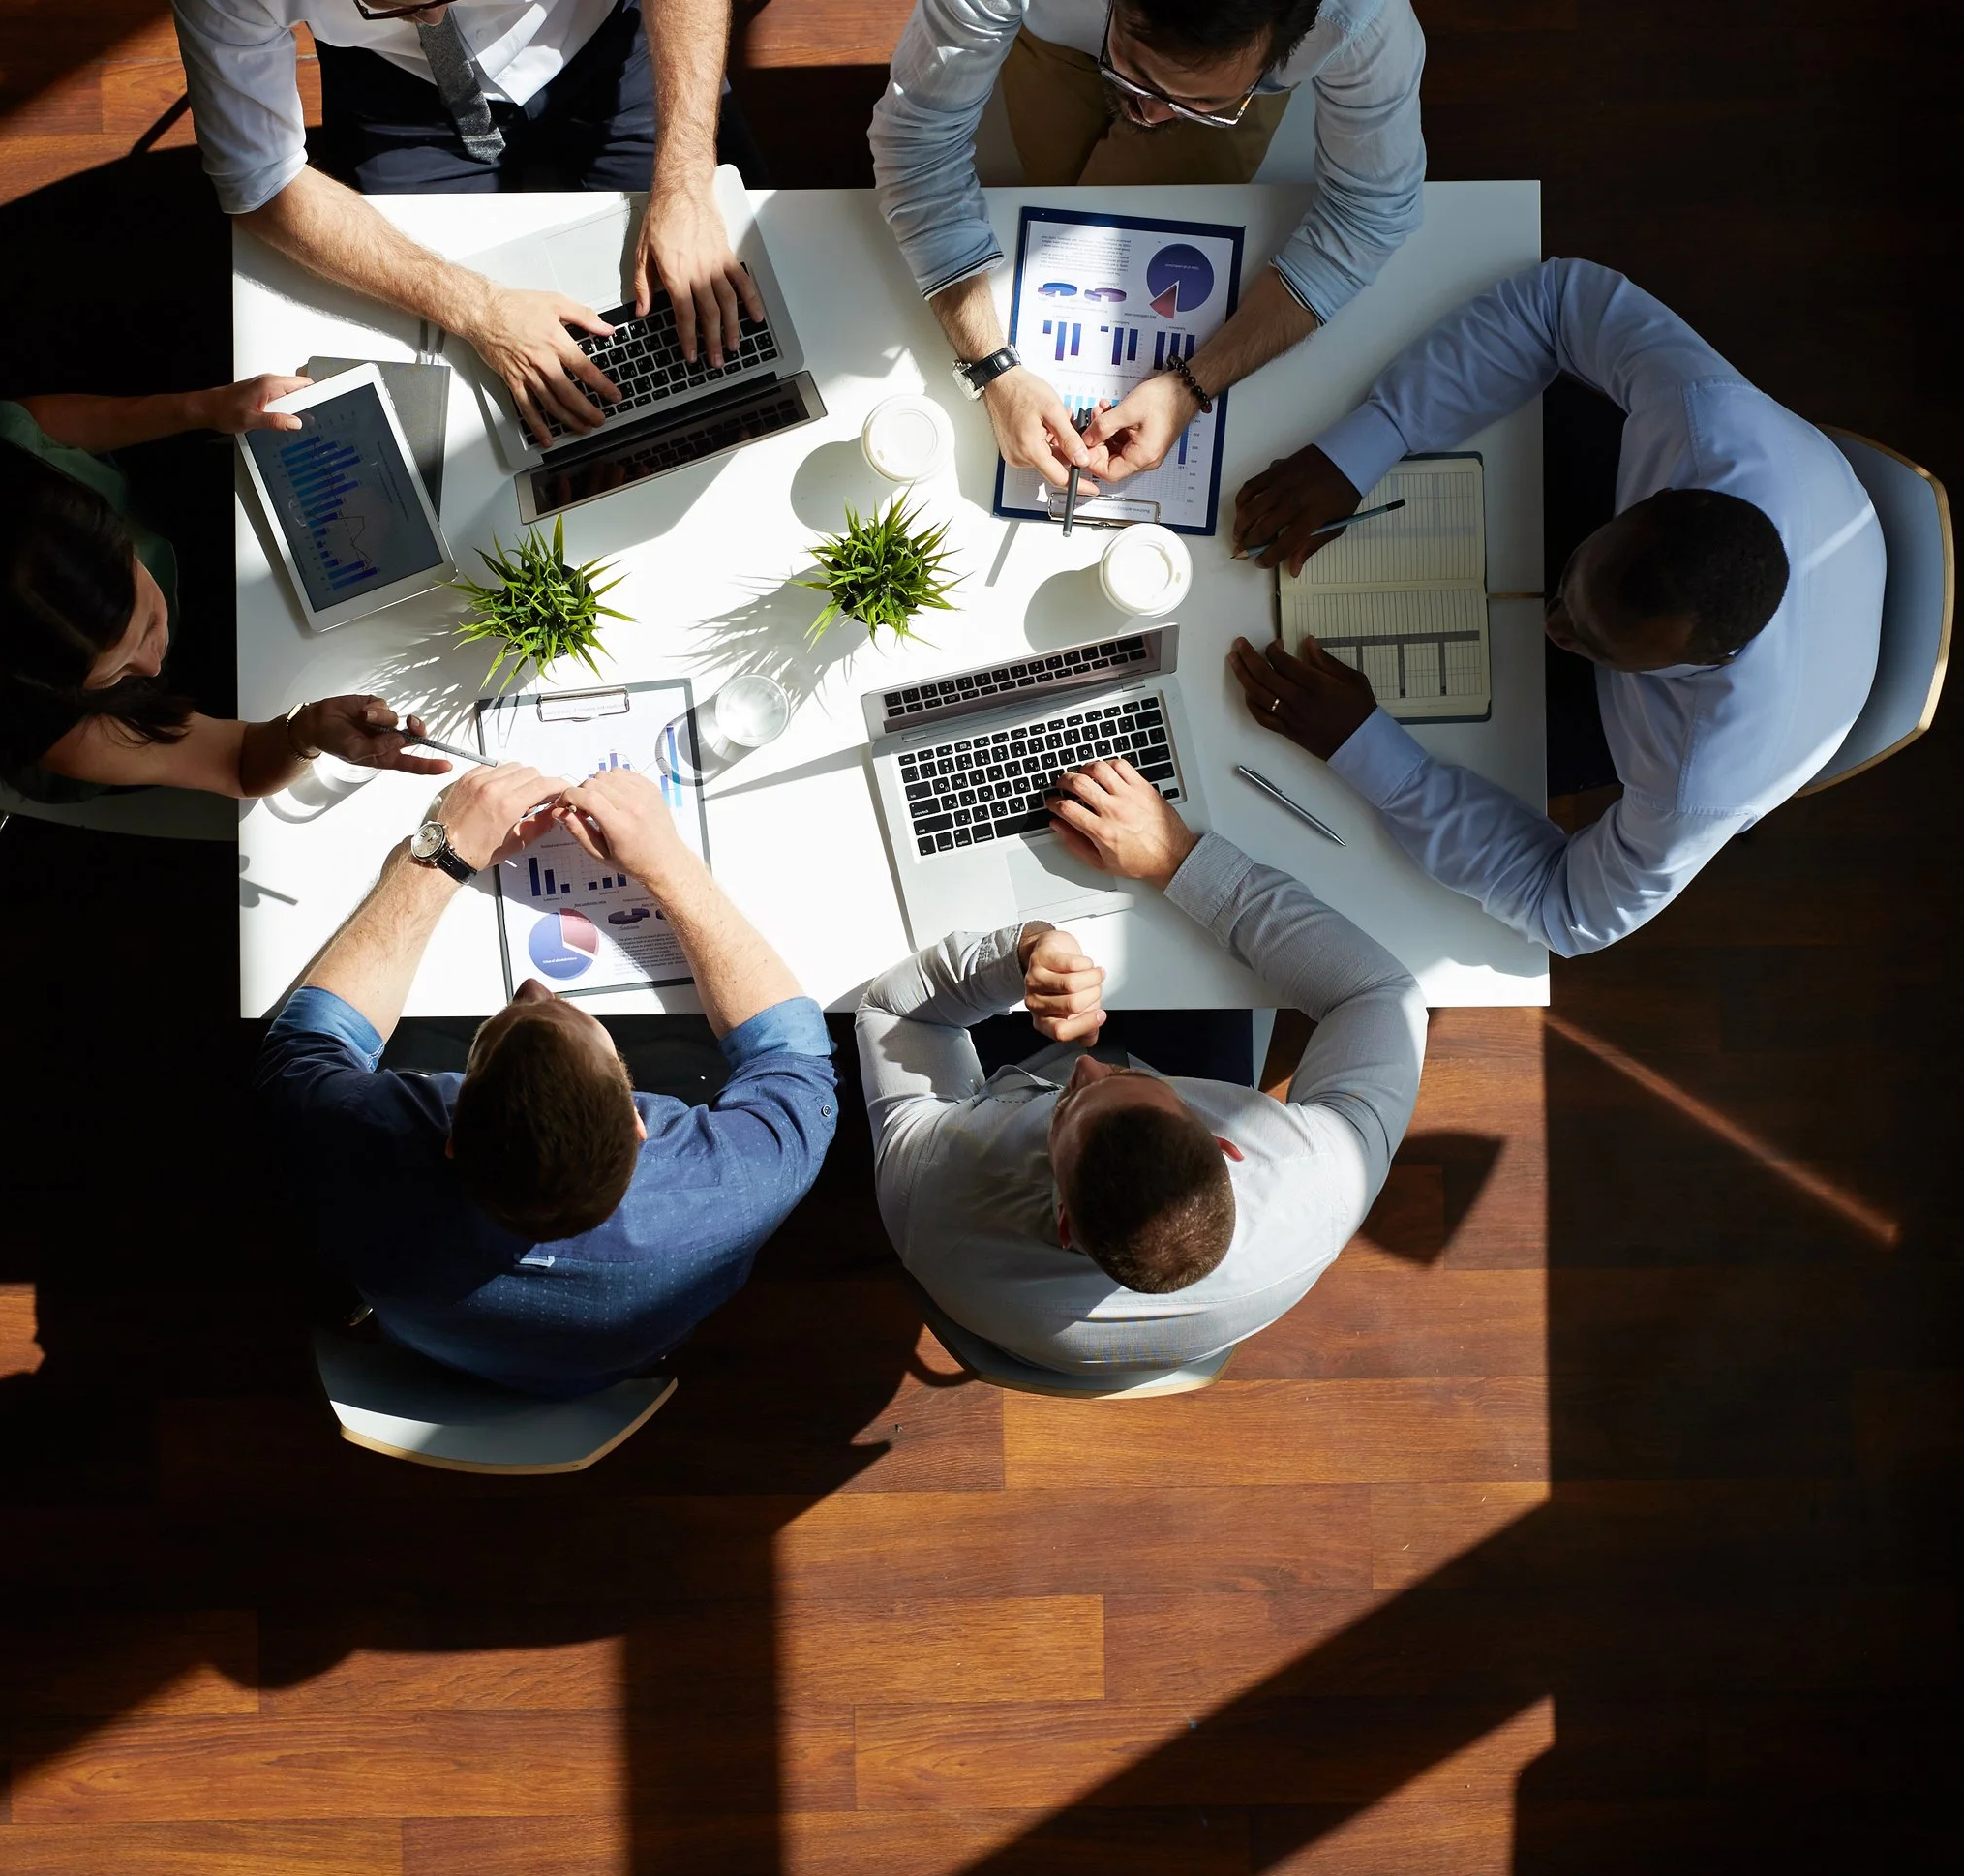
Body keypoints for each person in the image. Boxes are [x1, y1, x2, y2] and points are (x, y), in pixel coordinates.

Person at [1227, 257, 1885, 957]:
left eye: (1590, 643)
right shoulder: (1706, 419)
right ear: (1659, 495)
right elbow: (1556, 303)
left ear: (1702, 663)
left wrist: (1376, 760)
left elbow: (1566, 912)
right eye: (1572, 584)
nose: (1550, 622)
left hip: (1735, 707)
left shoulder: (1702, 784)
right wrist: (1366, 444)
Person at [167, 0, 759, 443]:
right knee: (434, 363)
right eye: (397, 1)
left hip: (602, 38)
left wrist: (685, 184)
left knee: (707, 284)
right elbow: (260, 182)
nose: (439, 14)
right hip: (396, 87)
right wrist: (479, 308)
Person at [869, 0, 1427, 496]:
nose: (1147, 114)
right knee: (1074, 221)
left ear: (1287, 49)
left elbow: (1372, 212)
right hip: (1060, 29)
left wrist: (1194, 385)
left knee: (1081, 229)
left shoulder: (1363, 11)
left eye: (1196, 99)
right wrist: (993, 368)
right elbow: (916, 139)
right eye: (1135, 70)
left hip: (1150, 31)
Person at [256, 759, 838, 1393]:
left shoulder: (344, 1152)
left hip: (431, 1351)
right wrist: (667, 863)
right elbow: (794, 1055)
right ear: (639, 1125)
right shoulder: (742, 1185)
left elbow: (308, 1043)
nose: (535, 988)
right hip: (608, 1368)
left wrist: (441, 854)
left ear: (451, 1138)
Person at [856, 758, 1425, 1375]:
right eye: (1133, 1083)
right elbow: (1380, 995)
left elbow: (896, 1015)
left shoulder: (932, 1194)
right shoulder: (1323, 1182)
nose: (1091, 1065)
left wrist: (1025, 953)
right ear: (1226, 1145)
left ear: (1064, 1221)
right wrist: (1177, 860)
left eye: (1066, 1105)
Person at [0, 382, 451, 804]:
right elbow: (234, 760)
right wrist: (304, 732)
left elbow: (50, 424)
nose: (151, 660)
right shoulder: (52, 723)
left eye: (143, 624)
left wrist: (204, 407)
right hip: (139, 721)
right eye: (114, 671)